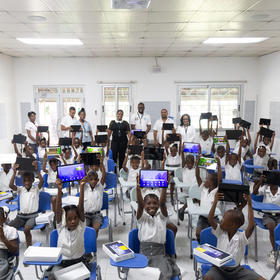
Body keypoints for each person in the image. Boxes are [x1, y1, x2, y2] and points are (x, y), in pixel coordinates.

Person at [205, 192, 265, 280]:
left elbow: (251, 226)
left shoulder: (241, 237)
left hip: (237, 271)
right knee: (208, 278)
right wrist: (215, 202)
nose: (221, 220)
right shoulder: (220, 232)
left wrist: (249, 204)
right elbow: (210, 219)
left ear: (233, 225)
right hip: (219, 269)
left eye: (224, 218)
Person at [136, 177, 181, 280]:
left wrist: (165, 187)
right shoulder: (142, 218)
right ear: (144, 205)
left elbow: (162, 204)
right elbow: (139, 206)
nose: (152, 206)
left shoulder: (162, 217)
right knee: (143, 276)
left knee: (164, 274)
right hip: (144, 253)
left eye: (155, 203)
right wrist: (138, 189)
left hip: (160, 253)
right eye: (148, 203)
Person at [48, 177, 88, 280]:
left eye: (75, 218)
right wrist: (59, 190)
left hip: (79, 262)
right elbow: (58, 210)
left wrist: (82, 187)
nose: (73, 221)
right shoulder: (61, 227)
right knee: (53, 276)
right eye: (69, 219)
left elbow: (81, 207)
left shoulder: (80, 227)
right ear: (65, 220)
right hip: (62, 263)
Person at [8, 162, 43, 247]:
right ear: (22, 181)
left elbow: (42, 181)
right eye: (25, 180)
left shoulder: (36, 189)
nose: (27, 182)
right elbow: (11, 185)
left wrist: (37, 170)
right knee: (8, 228)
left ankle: (29, 247)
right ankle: (12, 245)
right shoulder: (21, 189)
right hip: (21, 216)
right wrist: (14, 172)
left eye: (29, 180)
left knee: (26, 230)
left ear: (33, 180)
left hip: (32, 216)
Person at [253, 175, 280, 263]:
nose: (271, 185)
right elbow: (254, 193)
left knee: (278, 229)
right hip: (268, 215)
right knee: (272, 227)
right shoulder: (265, 189)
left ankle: (277, 248)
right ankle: (274, 250)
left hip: (278, 215)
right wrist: (260, 182)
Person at [194, 155, 222, 241]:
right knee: (198, 234)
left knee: (216, 235)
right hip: (203, 217)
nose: (205, 180)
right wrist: (197, 164)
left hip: (214, 218)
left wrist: (219, 165)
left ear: (212, 183)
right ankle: (201, 245)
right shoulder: (203, 189)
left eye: (207, 179)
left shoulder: (217, 191)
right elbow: (197, 176)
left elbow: (220, 180)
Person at [84, 155, 106, 237]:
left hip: (97, 215)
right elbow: (81, 175)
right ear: (87, 180)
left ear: (98, 180)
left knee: (95, 229)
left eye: (95, 179)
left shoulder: (99, 187)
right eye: (91, 179)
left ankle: (93, 244)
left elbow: (104, 175)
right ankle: (88, 245)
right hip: (85, 214)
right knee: (85, 229)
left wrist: (101, 163)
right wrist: (80, 163)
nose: (93, 181)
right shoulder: (84, 187)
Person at [0, 206, 18, 280]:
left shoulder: (10, 230)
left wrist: (3, 238)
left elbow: (15, 250)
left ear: (4, 218)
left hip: (2, 257)